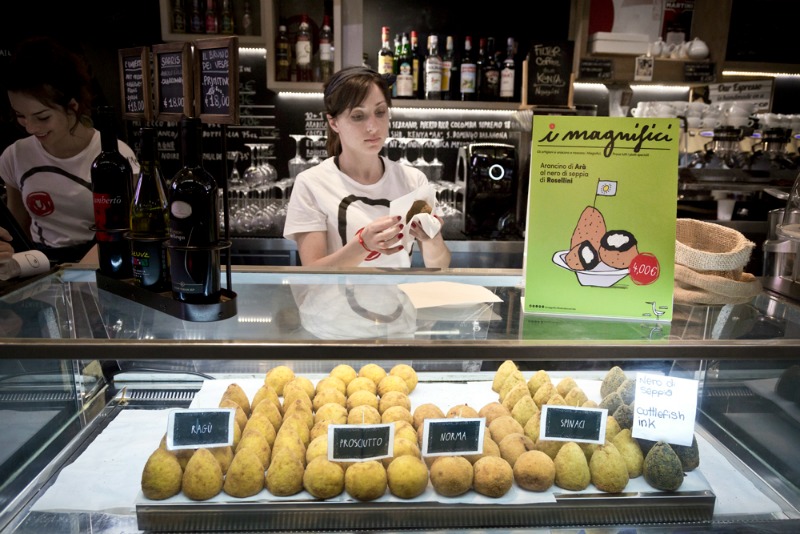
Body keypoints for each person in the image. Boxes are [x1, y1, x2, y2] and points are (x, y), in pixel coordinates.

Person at [283, 66, 451, 268]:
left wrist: (431, 238)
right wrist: (363, 245)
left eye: (380, 112)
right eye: (358, 116)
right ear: (333, 122)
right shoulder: (311, 183)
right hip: (333, 301)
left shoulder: (414, 180)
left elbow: (440, 265)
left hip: (399, 299)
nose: (373, 126)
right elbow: (311, 273)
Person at [0, 36, 138, 264]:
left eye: (42, 117)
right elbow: (18, 230)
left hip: (105, 262)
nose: (31, 128)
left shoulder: (115, 157)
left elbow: (129, 231)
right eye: (20, 116)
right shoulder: (15, 156)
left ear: (72, 106)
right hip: (44, 266)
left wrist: (76, 276)